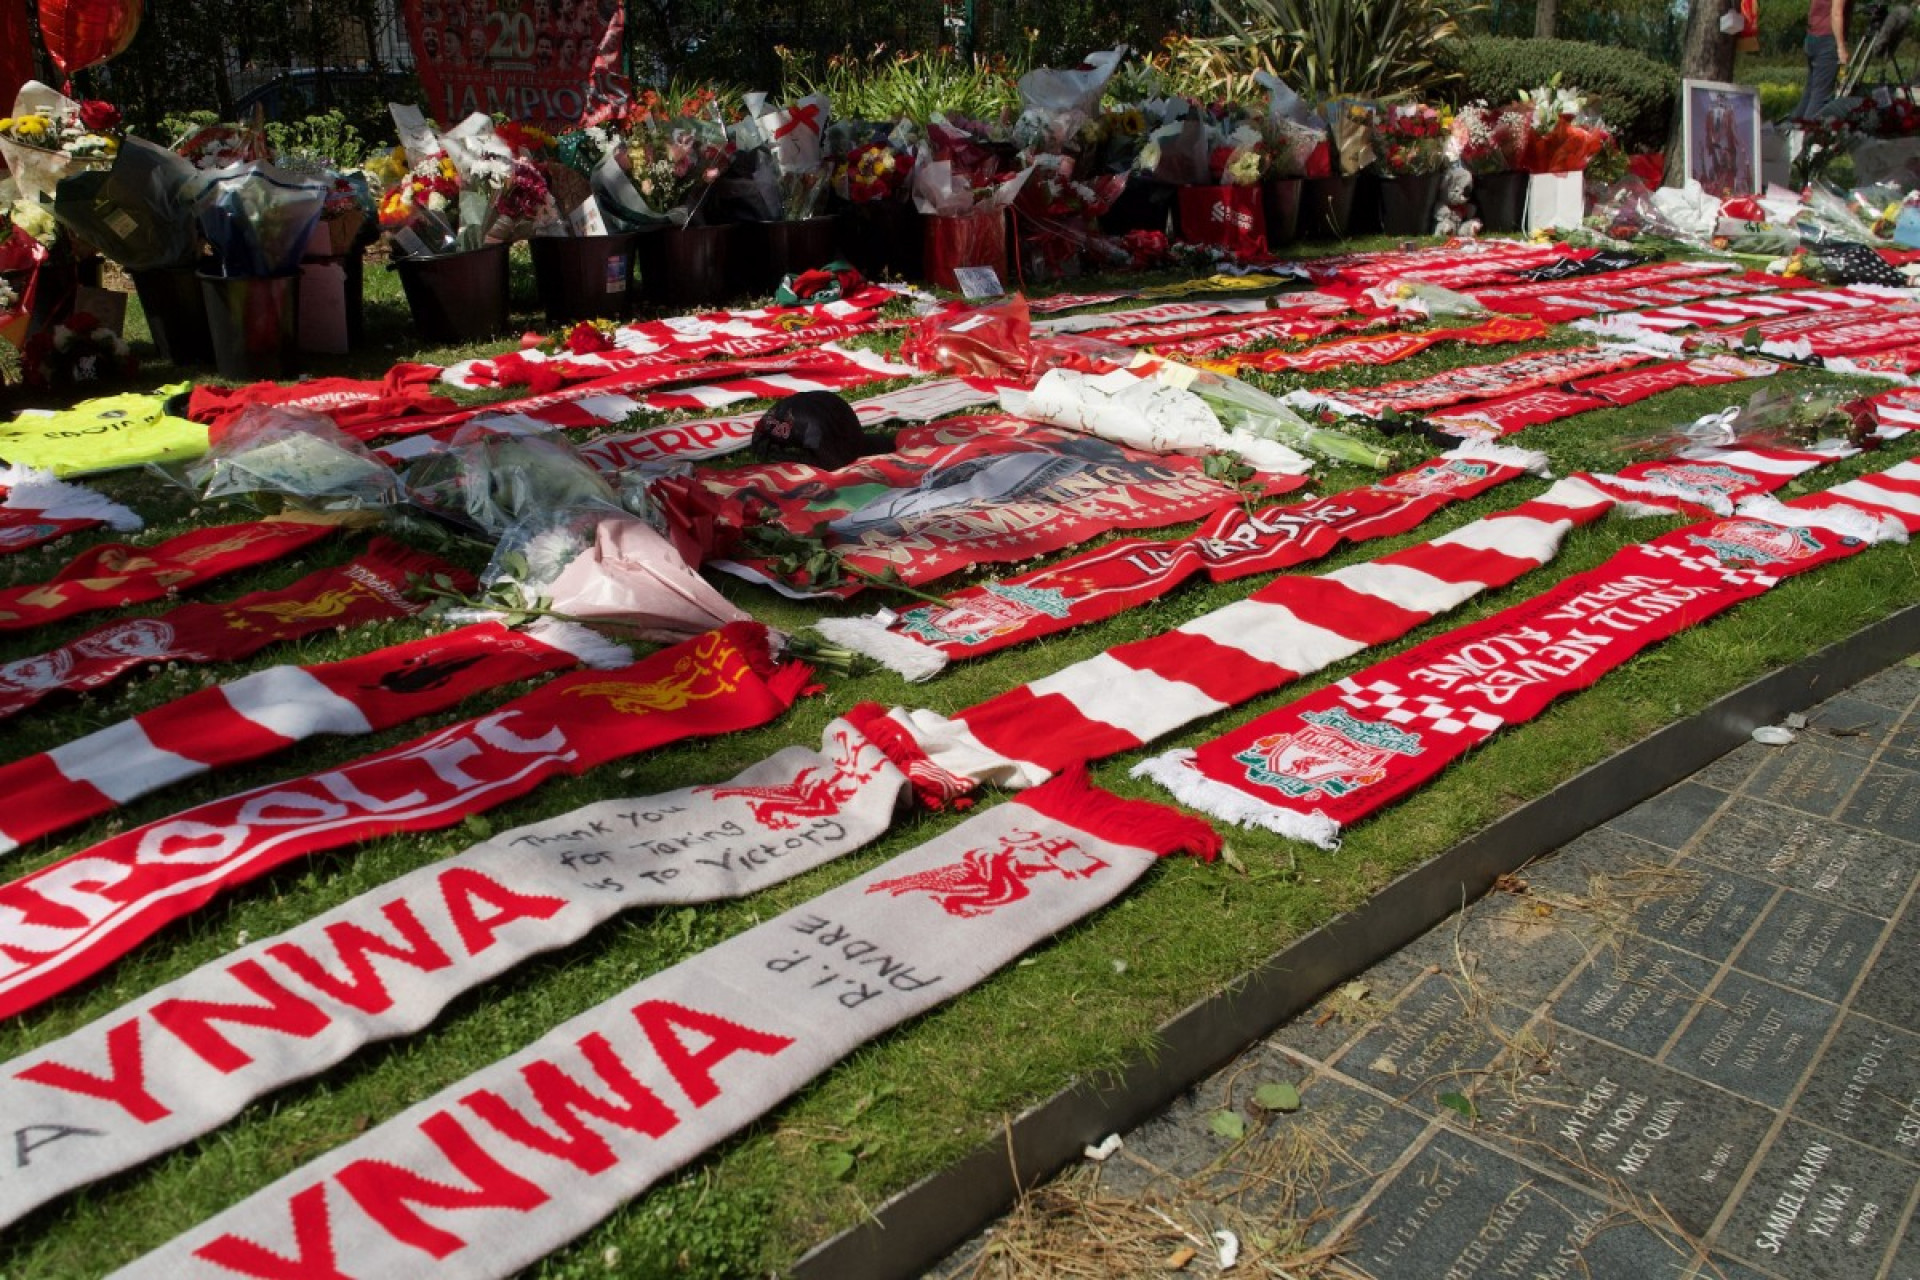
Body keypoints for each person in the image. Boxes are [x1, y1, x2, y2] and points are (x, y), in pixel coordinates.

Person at [1796, 0, 1851, 121]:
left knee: (1811, 91)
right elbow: (1836, 13)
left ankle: (1794, 125)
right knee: (1820, 96)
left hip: (1813, 36)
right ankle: (1808, 128)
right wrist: (1841, 47)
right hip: (1828, 39)